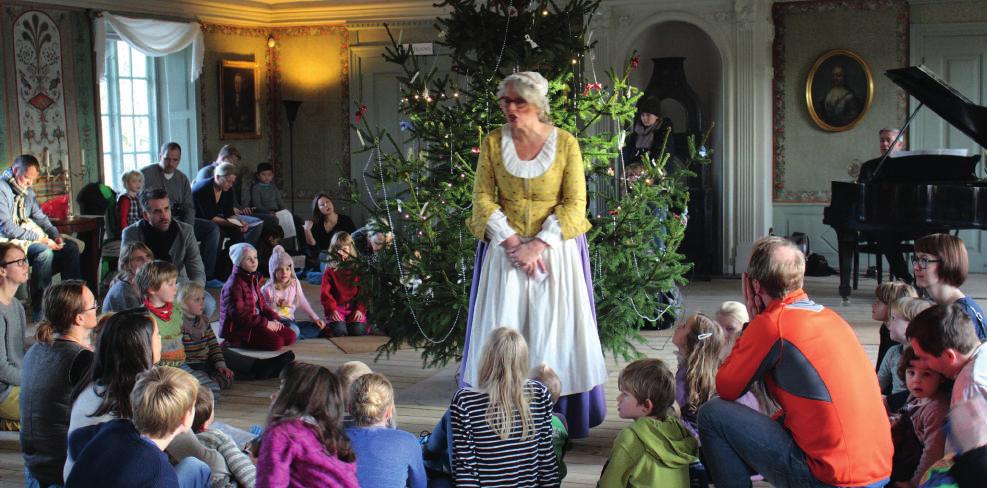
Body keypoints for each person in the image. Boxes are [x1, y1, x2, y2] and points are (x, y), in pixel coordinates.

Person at [462, 71, 607, 438]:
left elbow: (576, 203)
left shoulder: (565, 144)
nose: (510, 108)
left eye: (519, 101)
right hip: (506, 252)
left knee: (551, 330)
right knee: (504, 326)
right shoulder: (494, 143)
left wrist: (538, 244)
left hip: (553, 253)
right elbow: (481, 199)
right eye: (505, 101)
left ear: (537, 104)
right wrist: (512, 243)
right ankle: (499, 414)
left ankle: (553, 416)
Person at [698, 236, 891, 488]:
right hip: (878, 473)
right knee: (779, 419)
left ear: (755, 285)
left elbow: (726, 387)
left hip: (830, 480)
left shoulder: (772, 324)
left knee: (713, 415)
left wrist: (754, 324)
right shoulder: (831, 317)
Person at [64, 307, 228, 483]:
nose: (160, 340)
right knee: (198, 466)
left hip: (80, 478)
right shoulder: (148, 394)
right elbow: (199, 455)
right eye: (157, 335)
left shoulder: (89, 386)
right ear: (143, 346)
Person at [65, 366, 211, 488]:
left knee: (195, 466)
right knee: (198, 468)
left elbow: (74, 442)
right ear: (185, 419)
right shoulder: (160, 476)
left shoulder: (114, 428)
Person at [450, 327, 560, 486]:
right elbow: (547, 462)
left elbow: (466, 470)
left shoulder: (465, 400)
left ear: (486, 359)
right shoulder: (540, 393)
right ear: (523, 361)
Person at [20, 281, 97, 487]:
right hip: (62, 472)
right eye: (93, 305)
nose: (97, 309)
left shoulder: (35, 350)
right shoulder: (81, 359)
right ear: (79, 318)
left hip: (33, 469)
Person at [0, 155, 81, 321]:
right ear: (15, 171)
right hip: (8, 243)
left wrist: (55, 235)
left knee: (70, 249)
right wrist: (39, 238)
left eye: (32, 180)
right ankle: (42, 312)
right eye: (27, 178)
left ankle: (72, 304)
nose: (30, 183)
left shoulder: (27, 191)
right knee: (44, 253)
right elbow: (6, 226)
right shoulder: (2, 189)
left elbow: (40, 217)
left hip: (26, 240)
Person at [256, 361, 358, 487]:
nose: (272, 396)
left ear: (296, 395)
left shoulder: (282, 433)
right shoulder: (327, 432)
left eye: (282, 388)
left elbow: (271, 484)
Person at [599, 358, 697, 488]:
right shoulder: (678, 428)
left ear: (646, 405)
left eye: (625, 394)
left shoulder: (631, 437)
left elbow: (609, 485)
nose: (618, 398)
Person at [121, 188, 217, 318]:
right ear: (145, 215)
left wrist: (193, 293)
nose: (164, 215)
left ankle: (184, 334)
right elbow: (125, 268)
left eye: (167, 209)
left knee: (208, 304)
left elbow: (197, 270)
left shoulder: (185, 231)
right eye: (157, 211)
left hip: (178, 285)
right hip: (147, 288)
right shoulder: (131, 233)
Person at [179, 281, 295, 384]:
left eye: (202, 299)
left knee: (222, 351)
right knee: (224, 378)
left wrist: (221, 365)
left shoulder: (203, 320)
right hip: (192, 367)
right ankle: (258, 372)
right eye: (197, 300)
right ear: (183, 302)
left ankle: (259, 366)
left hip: (207, 359)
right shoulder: (177, 325)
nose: (202, 303)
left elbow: (213, 345)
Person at [141, 142, 221, 285]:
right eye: (167, 159)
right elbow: (140, 202)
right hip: (154, 220)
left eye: (175, 160)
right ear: (160, 156)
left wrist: (186, 228)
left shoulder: (182, 178)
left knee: (212, 229)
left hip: (179, 220)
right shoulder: (145, 174)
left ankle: (208, 275)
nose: (170, 163)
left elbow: (189, 207)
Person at [345, 373, 426, 488]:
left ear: (349, 408)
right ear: (389, 411)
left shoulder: (333, 440)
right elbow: (420, 485)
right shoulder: (407, 441)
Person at [889, 346, 948, 488]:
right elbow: (904, 411)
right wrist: (893, 420)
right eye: (911, 373)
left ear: (941, 377)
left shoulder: (936, 409)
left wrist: (914, 484)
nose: (916, 380)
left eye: (926, 374)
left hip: (914, 470)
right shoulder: (915, 397)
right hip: (901, 454)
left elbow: (933, 454)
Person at [220, 243, 296, 351]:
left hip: (256, 321)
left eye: (255, 257)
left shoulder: (252, 278)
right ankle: (236, 342)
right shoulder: (233, 285)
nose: (254, 261)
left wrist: (274, 318)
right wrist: (266, 324)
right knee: (277, 343)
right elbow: (241, 316)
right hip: (242, 328)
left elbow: (262, 305)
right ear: (238, 262)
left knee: (291, 337)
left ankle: (262, 333)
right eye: (248, 259)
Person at [913, 233, 986, 340]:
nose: (915, 266)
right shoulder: (935, 304)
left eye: (924, 260)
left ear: (947, 263)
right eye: (916, 259)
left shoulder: (962, 313)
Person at [192, 385, 257, 488]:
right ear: (206, 420)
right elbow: (243, 470)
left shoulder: (171, 440)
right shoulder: (216, 437)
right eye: (213, 408)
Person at [261, 245, 326, 340]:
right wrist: (274, 304)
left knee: (317, 326)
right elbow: (262, 310)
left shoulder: (294, 283)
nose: (284, 273)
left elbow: (303, 301)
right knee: (295, 330)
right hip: (275, 321)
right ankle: (290, 334)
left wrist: (315, 318)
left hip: (290, 320)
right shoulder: (267, 289)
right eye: (280, 269)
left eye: (287, 269)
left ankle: (290, 334)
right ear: (273, 271)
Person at [879, 297, 933, 406]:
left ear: (912, 324)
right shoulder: (893, 352)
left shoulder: (927, 357)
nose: (888, 322)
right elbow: (877, 385)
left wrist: (889, 401)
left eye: (893, 318)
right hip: (894, 410)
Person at [193, 162, 262, 246]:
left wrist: (240, 222)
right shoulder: (204, 188)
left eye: (232, 182)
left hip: (214, 219)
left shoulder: (227, 189)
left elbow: (229, 213)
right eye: (228, 181)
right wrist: (234, 224)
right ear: (217, 177)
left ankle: (233, 257)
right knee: (219, 232)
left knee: (237, 232)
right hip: (198, 221)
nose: (230, 185)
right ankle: (214, 259)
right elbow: (210, 218)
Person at [0, 243, 29, 431]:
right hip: (4, 390)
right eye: (19, 262)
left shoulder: (17, 305)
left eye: (25, 260)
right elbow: (1, 368)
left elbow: (20, 352)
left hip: (17, 382)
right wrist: (32, 378)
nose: (25, 266)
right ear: (2, 270)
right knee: (48, 411)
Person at [320, 232, 368, 337]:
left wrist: (360, 309)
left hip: (354, 307)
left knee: (357, 331)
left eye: (345, 250)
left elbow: (364, 291)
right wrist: (332, 309)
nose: (341, 253)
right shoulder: (329, 270)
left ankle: (363, 324)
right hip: (337, 307)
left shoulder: (358, 268)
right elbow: (325, 293)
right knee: (339, 332)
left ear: (350, 249)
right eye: (338, 249)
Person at [529, 363, 570, 480]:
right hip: (556, 474)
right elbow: (563, 449)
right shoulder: (561, 420)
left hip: (531, 476)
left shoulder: (525, 423)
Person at [874, 282, 920, 374]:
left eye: (879, 302)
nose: (874, 305)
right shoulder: (885, 328)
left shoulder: (899, 335)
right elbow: (881, 365)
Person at [302, 193, 356, 271]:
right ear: (318, 209)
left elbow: (353, 239)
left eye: (328, 202)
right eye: (322, 205)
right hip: (326, 257)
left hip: (344, 254)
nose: (326, 205)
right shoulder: (317, 224)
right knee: (324, 255)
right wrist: (307, 231)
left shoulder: (346, 220)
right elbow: (313, 248)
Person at [621, 96, 675, 169]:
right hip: (634, 171)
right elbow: (627, 151)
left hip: (655, 171)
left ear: (656, 116)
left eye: (648, 115)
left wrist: (642, 166)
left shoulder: (664, 130)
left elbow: (661, 154)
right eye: (643, 115)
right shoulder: (637, 130)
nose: (645, 118)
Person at [102, 242, 153, 313]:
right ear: (126, 265)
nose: (147, 261)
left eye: (148, 257)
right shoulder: (124, 291)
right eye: (139, 259)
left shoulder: (139, 282)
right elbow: (138, 320)